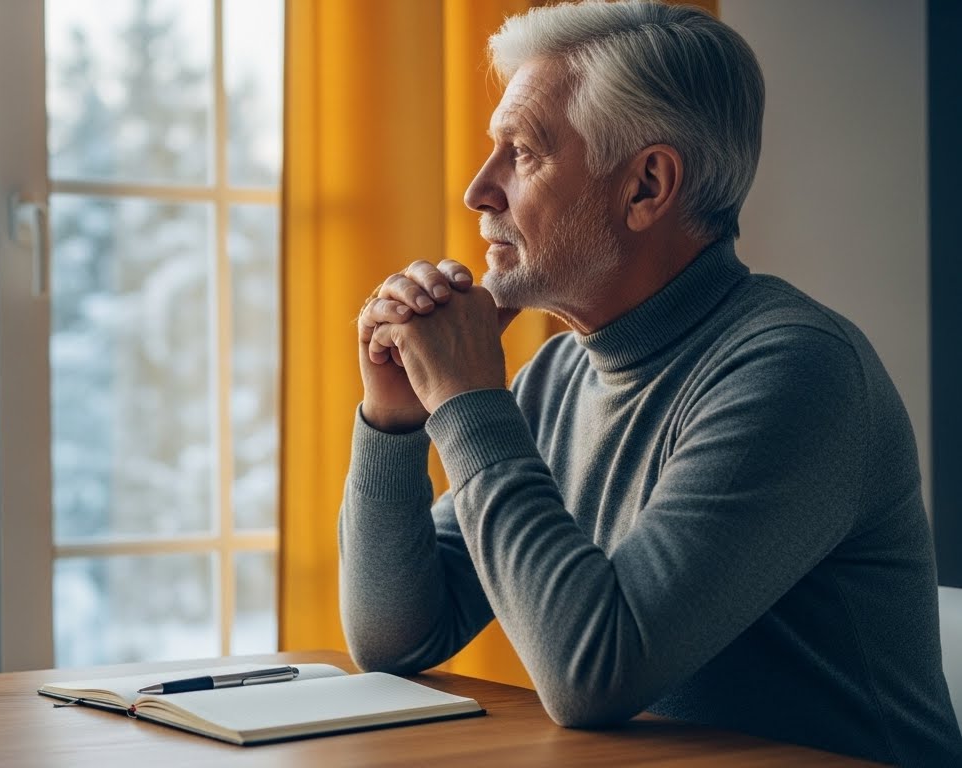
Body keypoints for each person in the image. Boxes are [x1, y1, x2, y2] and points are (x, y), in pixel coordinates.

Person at [338, 2, 962, 765]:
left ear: (646, 186)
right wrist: (396, 420)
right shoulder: (560, 374)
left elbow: (592, 676)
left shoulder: (796, 372)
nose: (478, 190)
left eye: (521, 153)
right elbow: (394, 638)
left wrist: (468, 406)